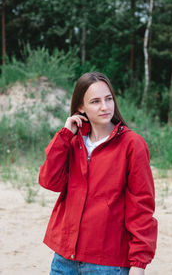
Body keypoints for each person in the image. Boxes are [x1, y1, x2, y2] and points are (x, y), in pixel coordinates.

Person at [39, 72, 157, 275]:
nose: (105, 107)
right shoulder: (73, 142)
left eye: (108, 98)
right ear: (80, 107)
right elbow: (50, 181)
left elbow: (142, 207)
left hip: (108, 263)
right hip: (64, 259)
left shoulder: (132, 145)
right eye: (95, 101)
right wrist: (65, 136)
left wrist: (138, 264)